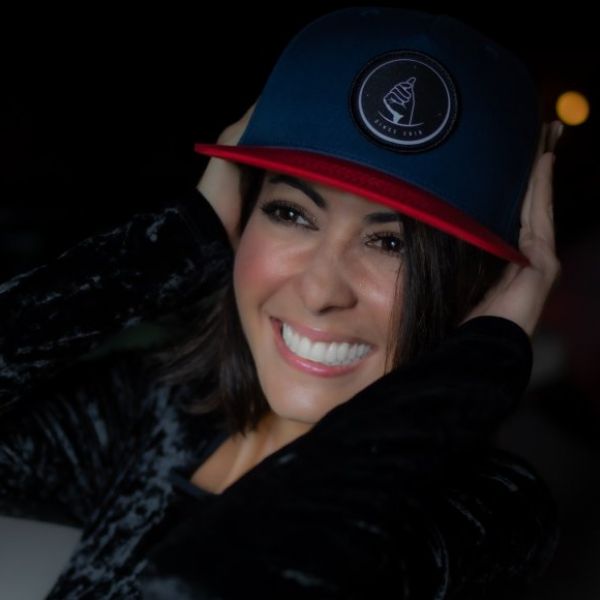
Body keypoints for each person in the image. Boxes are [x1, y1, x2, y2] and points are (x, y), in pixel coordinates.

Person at [0, 6, 561, 599]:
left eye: (391, 243)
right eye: (291, 213)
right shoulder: (161, 408)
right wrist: (179, 237)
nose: (319, 291)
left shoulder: (484, 513)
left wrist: (491, 346)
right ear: (242, 214)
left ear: (480, 285)